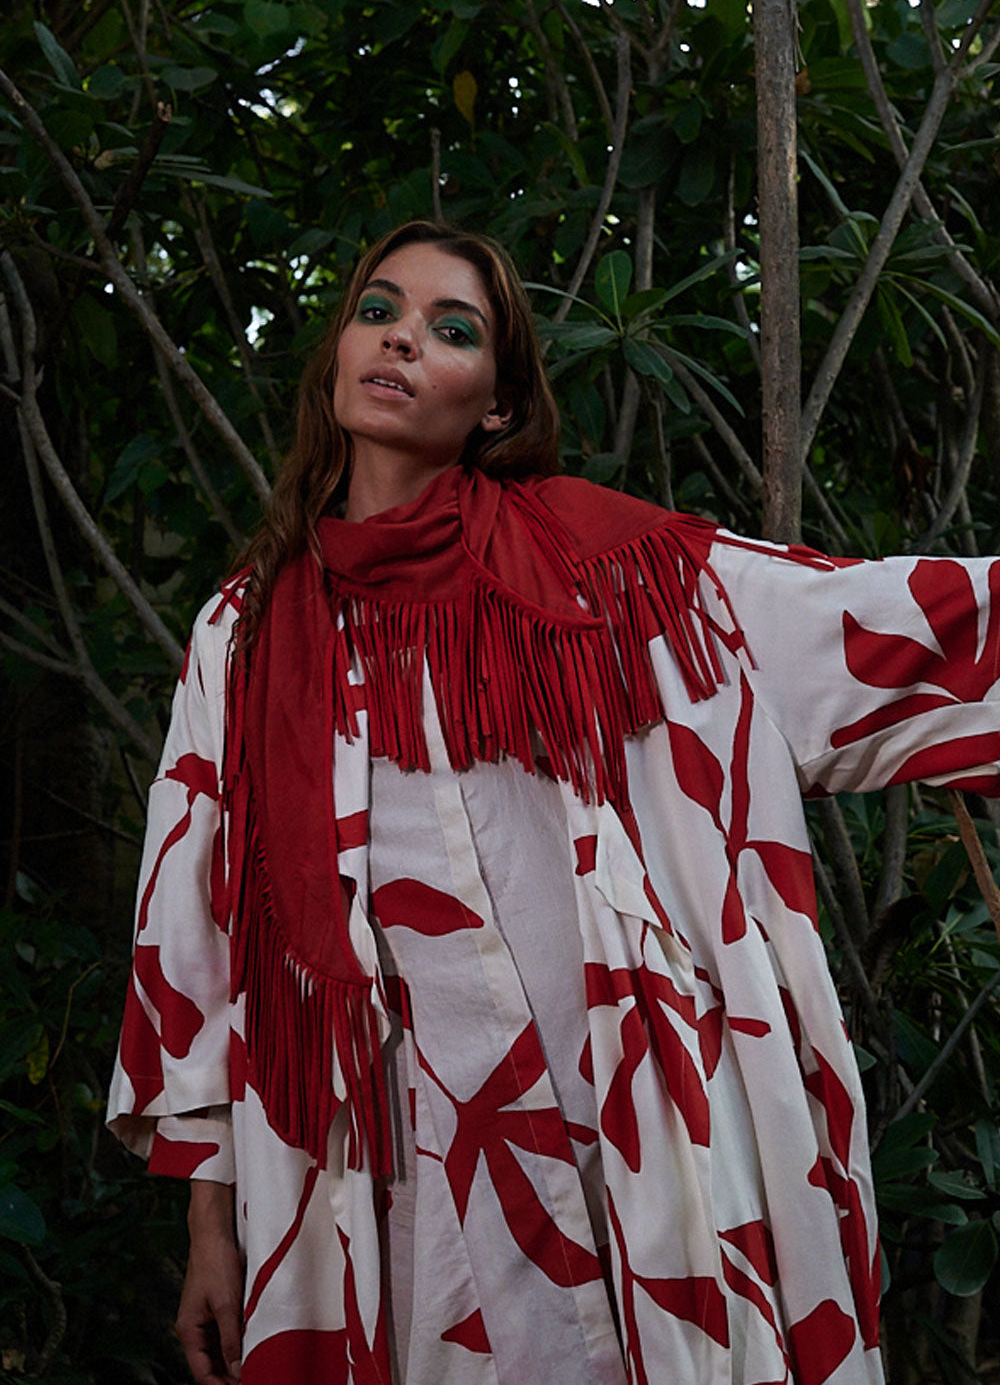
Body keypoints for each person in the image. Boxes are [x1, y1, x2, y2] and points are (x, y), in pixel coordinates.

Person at [109, 220, 1000, 1385]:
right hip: (382, 1157)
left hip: (628, 1124)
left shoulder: (614, 572)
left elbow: (876, 624)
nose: (401, 340)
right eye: (378, 312)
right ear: (334, 358)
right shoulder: (242, 634)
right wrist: (211, 1227)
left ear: (496, 405)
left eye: (451, 329)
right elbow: (195, 940)